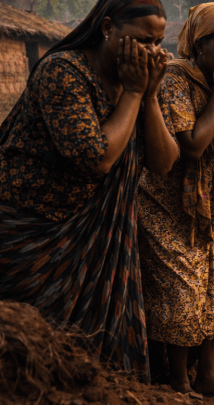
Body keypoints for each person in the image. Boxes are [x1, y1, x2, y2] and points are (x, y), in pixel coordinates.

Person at [0, 0, 179, 381]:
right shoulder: (62, 72)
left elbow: (164, 163)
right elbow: (95, 157)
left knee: (101, 362)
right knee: (35, 352)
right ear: (108, 28)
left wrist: (148, 96)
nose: (151, 52)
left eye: (158, 42)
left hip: (105, 239)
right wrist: (133, 92)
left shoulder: (139, 81)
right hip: (39, 234)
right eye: (142, 40)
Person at [137, 2, 214, 397]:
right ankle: (177, 380)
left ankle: (208, 372)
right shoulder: (175, 79)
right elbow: (192, 145)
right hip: (169, 204)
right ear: (199, 45)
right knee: (182, 292)